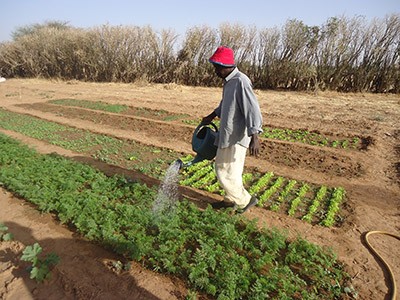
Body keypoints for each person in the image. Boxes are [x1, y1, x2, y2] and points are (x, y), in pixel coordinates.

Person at [202, 46, 263, 214]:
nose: (215, 71)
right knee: (228, 170)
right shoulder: (229, 82)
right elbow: (226, 105)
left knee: (225, 170)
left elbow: (252, 109)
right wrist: (211, 116)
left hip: (236, 136)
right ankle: (229, 200)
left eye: (217, 67)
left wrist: (254, 136)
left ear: (225, 65)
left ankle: (245, 201)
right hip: (227, 134)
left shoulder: (241, 81)